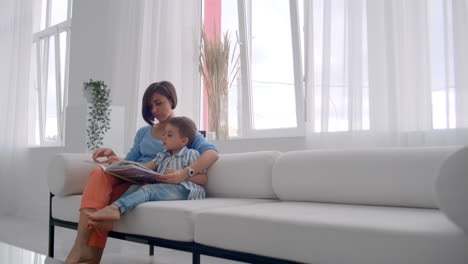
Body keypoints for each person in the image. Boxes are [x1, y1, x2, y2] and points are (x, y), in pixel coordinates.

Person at [65, 81, 218, 264]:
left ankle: (90, 256)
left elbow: (212, 153)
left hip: (150, 183)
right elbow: (131, 161)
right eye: (150, 106)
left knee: (104, 198)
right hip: (133, 176)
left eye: (158, 103)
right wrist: (114, 157)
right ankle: (80, 246)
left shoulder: (183, 129)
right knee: (99, 173)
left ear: (171, 99)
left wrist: (185, 173)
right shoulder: (143, 132)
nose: (154, 110)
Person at [86, 116, 205, 225]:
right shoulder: (163, 155)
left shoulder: (191, 154)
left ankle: (115, 208)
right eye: (164, 134)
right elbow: (146, 167)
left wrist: (182, 176)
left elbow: (203, 179)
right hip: (164, 187)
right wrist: (122, 163)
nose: (164, 138)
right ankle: (112, 212)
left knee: (149, 189)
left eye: (169, 135)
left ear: (184, 141)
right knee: (134, 188)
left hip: (185, 190)